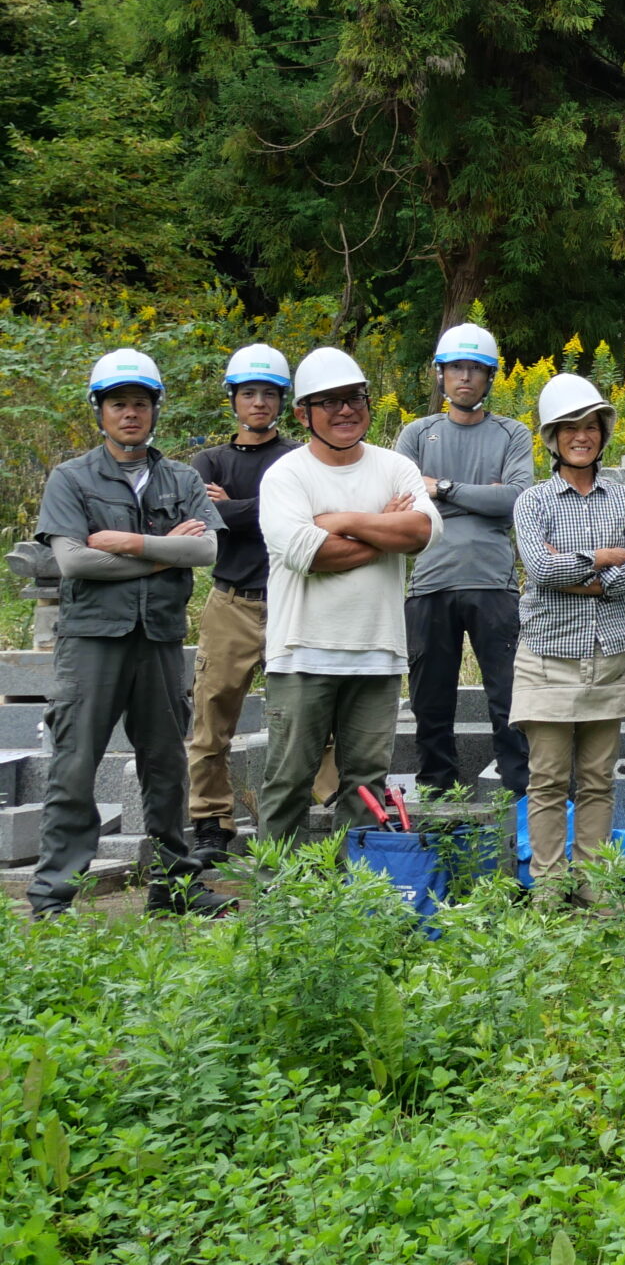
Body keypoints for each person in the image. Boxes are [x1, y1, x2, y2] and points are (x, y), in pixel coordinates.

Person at [29, 349, 229, 919]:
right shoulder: (71, 477)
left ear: (154, 409)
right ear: (100, 410)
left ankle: (175, 888)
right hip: (92, 640)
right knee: (74, 764)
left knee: (166, 766)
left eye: (140, 403)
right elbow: (74, 563)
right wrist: (167, 557)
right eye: (118, 403)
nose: (130, 413)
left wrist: (131, 544)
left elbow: (208, 548)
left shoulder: (182, 478)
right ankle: (52, 898)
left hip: (160, 639)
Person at [258, 347, 442, 846]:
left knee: (365, 786)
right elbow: (307, 553)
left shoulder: (396, 467)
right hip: (301, 652)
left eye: (355, 398)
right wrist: (384, 529)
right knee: (289, 781)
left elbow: (423, 532)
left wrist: (337, 523)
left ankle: (354, 897)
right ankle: (282, 897)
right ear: (302, 414)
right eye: (330, 401)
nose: (345, 410)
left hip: (377, 652)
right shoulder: (286, 475)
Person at [512, 375, 625, 903]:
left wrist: (581, 575)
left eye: (591, 426)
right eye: (570, 427)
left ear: (603, 433)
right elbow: (539, 569)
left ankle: (595, 886)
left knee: (598, 778)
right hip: (548, 653)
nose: (582, 436)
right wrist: (601, 560)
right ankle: (549, 888)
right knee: (547, 778)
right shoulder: (532, 501)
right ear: (552, 436)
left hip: (609, 651)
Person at [397, 322, 534, 798]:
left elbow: (516, 499)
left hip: (494, 583)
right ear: (439, 374)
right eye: (456, 367)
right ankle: (437, 793)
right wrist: (482, 495)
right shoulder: (416, 433)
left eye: (476, 369)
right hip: (430, 583)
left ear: (490, 377)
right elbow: (405, 501)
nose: (465, 378)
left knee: (510, 697)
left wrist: (445, 489)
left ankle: (519, 795)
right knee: (430, 701)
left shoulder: (511, 434)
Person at [184, 342, 305, 860]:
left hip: (292, 600)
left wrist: (233, 508)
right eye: (249, 393)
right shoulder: (208, 459)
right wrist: (259, 510)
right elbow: (201, 522)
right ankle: (211, 821)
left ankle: (329, 809)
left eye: (269, 394)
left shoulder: (299, 457)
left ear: (283, 401)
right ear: (232, 399)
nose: (259, 403)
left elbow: (306, 515)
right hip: (230, 601)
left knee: (308, 712)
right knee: (211, 715)